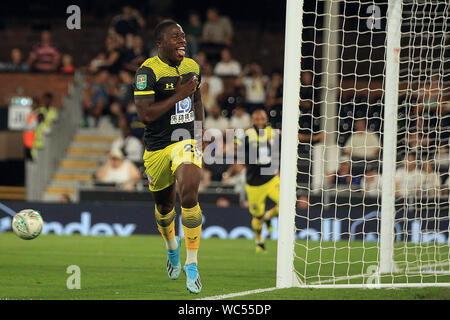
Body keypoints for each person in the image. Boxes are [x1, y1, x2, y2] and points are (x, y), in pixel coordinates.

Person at [134, 20, 204, 294]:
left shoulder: (192, 67)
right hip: (156, 148)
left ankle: (192, 263)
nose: (182, 40)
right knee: (164, 208)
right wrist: (179, 94)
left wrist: (200, 133)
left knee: (189, 194)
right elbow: (145, 115)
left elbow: (197, 101)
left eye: (184, 36)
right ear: (160, 43)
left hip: (183, 141)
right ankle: (172, 248)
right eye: (175, 37)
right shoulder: (146, 72)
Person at [236, 109, 280, 253]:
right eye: (257, 119)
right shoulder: (247, 135)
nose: (260, 122)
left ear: (266, 119)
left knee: (288, 202)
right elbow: (238, 149)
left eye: (263, 119)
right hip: (254, 183)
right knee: (257, 216)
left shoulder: (271, 132)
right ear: (253, 121)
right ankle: (259, 242)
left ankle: (268, 216)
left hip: (271, 178)